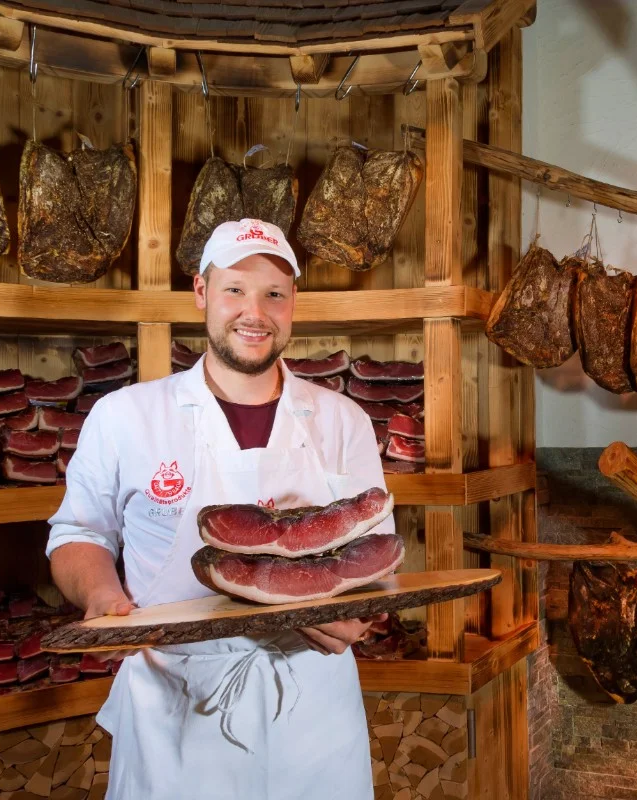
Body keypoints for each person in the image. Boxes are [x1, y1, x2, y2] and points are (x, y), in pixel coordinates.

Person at [44, 218, 390, 799]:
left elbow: (369, 557)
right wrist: (101, 596)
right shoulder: (126, 415)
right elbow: (80, 532)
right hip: (177, 706)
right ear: (202, 292)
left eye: (273, 294)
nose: (254, 312)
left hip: (314, 710)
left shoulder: (342, 420)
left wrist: (359, 614)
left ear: (293, 303)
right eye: (234, 289)